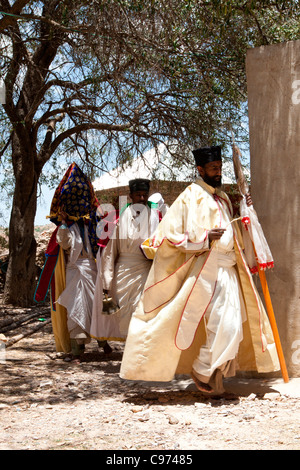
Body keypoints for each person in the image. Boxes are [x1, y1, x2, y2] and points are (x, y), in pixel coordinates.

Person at [120, 146, 280, 394]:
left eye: (220, 167)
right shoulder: (189, 196)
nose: (218, 172)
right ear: (200, 169)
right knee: (223, 325)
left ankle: (213, 383)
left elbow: (235, 231)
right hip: (206, 270)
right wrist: (204, 238)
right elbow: (167, 237)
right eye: (213, 168)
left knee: (234, 327)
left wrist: (243, 210)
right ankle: (202, 371)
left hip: (229, 271)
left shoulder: (224, 198)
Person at [35, 163, 110, 361]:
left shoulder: (92, 223)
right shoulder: (65, 228)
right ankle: (78, 348)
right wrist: (62, 224)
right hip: (74, 271)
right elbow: (66, 245)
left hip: (92, 269)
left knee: (96, 306)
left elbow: (103, 243)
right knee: (76, 307)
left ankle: (103, 342)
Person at [91, 179, 161, 344]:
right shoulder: (120, 218)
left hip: (145, 270)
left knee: (142, 311)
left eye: (145, 195)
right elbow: (110, 252)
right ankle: (130, 353)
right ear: (131, 196)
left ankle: (137, 353)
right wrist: (107, 282)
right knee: (126, 312)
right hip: (124, 271)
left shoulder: (155, 218)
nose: (142, 198)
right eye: (138, 195)